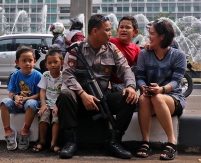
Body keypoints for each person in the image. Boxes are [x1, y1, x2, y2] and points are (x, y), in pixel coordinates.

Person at [56, 14, 138, 159]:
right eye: (107, 30)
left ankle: (114, 142)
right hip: (81, 98)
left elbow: (125, 69)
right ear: (95, 31)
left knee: (129, 98)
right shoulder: (76, 49)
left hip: (103, 98)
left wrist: (131, 86)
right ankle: (70, 142)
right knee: (65, 95)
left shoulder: (112, 49)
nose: (110, 34)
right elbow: (68, 74)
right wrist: (82, 94)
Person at [136, 19, 186, 161]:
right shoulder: (144, 54)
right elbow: (139, 77)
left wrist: (162, 89)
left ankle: (171, 142)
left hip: (172, 98)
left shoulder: (178, 55)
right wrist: (143, 87)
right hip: (150, 97)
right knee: (143, 98)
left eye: (152, 34)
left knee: (157, 97)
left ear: (162, 36)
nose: (148, 37)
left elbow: (176, 82)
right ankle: (145, 141)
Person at [0, 45, 42, 151]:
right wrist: (16, 98)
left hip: (30, 105)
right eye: (24, 61)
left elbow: (40, 95)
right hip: (17, 103)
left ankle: (25, 131)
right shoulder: (15, 75)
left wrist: (25, 99)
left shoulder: (38, 76)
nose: (27, 63)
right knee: (4, 102)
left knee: (32, 103)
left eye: (30, 60)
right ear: (17, 62)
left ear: (34, 61)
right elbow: (11, 93)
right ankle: (8, 131)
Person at [33, 49, 63, 153]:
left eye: (55, 62)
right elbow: (42, 90)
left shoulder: (64, 76)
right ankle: (42, 141)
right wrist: (43, 104)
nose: (53, 65)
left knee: (56, 117)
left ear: (62, 63)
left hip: (58, 104)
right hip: (47, 103)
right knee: (44, 115)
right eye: (50, 63)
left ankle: (53, 143)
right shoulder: (45, 75)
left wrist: (57, 106)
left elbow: (63, 93)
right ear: (46, 65)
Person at [109, 16, 141, 92]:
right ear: (117, 30)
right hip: (108, 83)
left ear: (135, 32)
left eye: (128, 28)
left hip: (125, 83)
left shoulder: (136, 49)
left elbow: (142, 67)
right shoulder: (110, 42)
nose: (124, 30)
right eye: (121, 27)